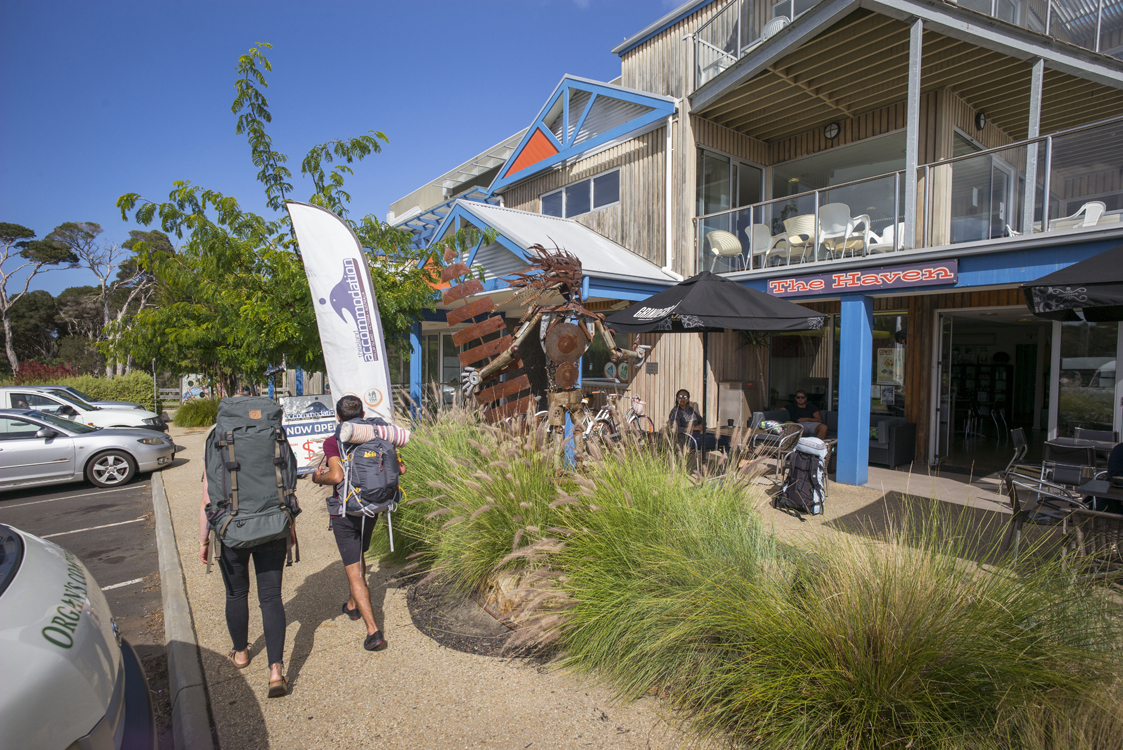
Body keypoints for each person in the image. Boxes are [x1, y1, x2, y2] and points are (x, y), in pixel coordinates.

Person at [312, 395, 409, 651]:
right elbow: (401, 470)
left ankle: (373, 631)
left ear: (338, 417)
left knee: (354, 570)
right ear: (363, 414)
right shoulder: (379, 434)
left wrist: (316, 479)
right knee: (358, 555)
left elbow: (336, 476)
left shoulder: (334, 442)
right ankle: (352, 604)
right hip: (372, 507)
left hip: (346, 510)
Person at [199, 474, 290, 697]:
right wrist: (291, 527)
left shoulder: (216, 440)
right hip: (272, 525)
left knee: (236, 594)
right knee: (271, 597)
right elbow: (286, 487)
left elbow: (206, 499)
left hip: (230, 529)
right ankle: (276, 672)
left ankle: (240, 653)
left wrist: (204, 540)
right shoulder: (272, 438)